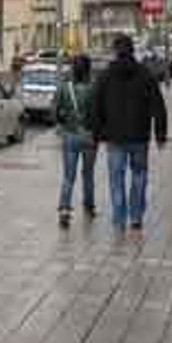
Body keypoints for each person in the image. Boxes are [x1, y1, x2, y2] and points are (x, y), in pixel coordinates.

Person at [92, 34, 167, 232]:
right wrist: (160, 134)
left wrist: (97, 132)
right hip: (139, 136)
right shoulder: (145, 74)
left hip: (115, 138)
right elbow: (158, 105)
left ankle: (119, 218)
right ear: (132, 50)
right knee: (139, 175)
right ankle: (136, 217)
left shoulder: (105, 76)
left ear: (116, 51)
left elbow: (95, 105)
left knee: (116, 178)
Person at [54, 54, 97, 228]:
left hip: (70, 136)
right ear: (88, 70)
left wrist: (63, 124)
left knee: (68, 176)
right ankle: (89, 206)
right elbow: (99, 113)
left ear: (73, 69)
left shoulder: (64, 88)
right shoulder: (94, 88)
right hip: (89, 137)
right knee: (88, 175)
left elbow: (55, 111)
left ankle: (64, 209)